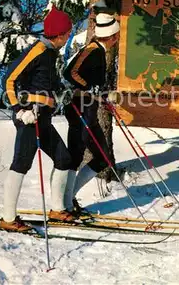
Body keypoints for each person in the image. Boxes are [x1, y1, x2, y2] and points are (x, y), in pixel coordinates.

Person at [0, 7, 76, 233]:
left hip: (43, 118)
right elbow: (9, 79)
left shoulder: (51, 53)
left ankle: (57, 209)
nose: (68, 37)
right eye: (68, 33)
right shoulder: (39, 50)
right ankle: (8, 218)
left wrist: (62, 91)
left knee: (64, 159)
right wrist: (19, 110)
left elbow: (45, 83)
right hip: (29, 118)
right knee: (21, 163)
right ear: (60, 34)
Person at [62, 13, 120, 215]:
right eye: (117, 35)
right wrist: (90, 88)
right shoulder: (93, 49)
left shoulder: (100, 52)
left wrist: (104, 95)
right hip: (79, 107)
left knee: (100, 156)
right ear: (112, 36)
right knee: (76, 156)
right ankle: (65, 204)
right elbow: (69, 72)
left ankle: (67, 198)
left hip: (89, 108)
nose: (118, 38)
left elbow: (93, 83)